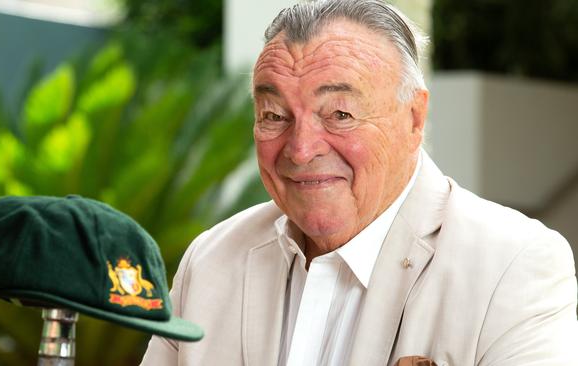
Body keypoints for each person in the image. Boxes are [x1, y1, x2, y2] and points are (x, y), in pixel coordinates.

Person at [141, 0, 578, 365]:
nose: (301, 149)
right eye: (274, 116)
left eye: (340, 114)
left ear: (414, 118)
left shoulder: (513, 266)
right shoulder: (213, 260)